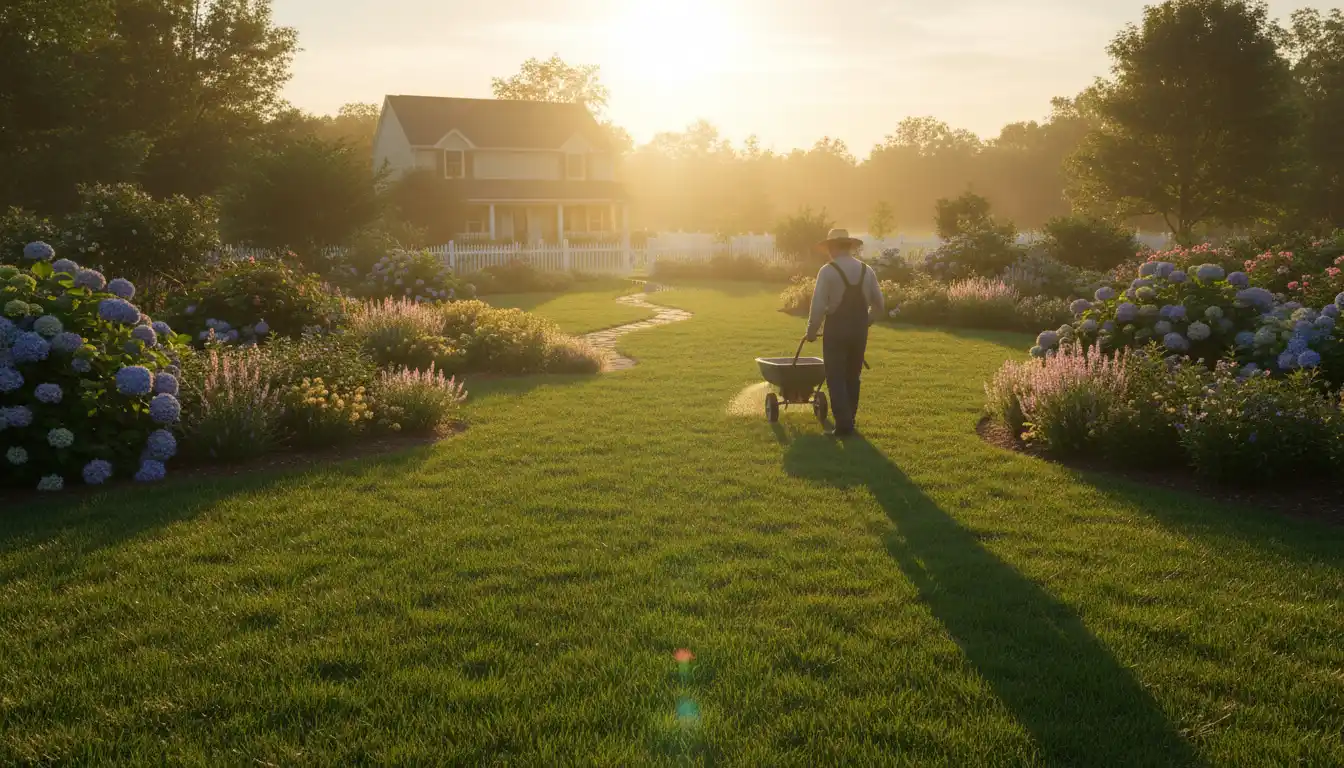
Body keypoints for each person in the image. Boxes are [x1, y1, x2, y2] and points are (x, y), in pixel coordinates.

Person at [804, 228, 885, 437]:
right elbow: (879, 304)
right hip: (859, 330)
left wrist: (811, 331)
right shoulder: (867, 270)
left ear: (831, 247)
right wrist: (866, 322)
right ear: (849, 246)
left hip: (836, 329)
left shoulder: (828, 271)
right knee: (853, 376)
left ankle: (843, 425)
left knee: (835, 377)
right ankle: (850, 419)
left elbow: (819, 305)